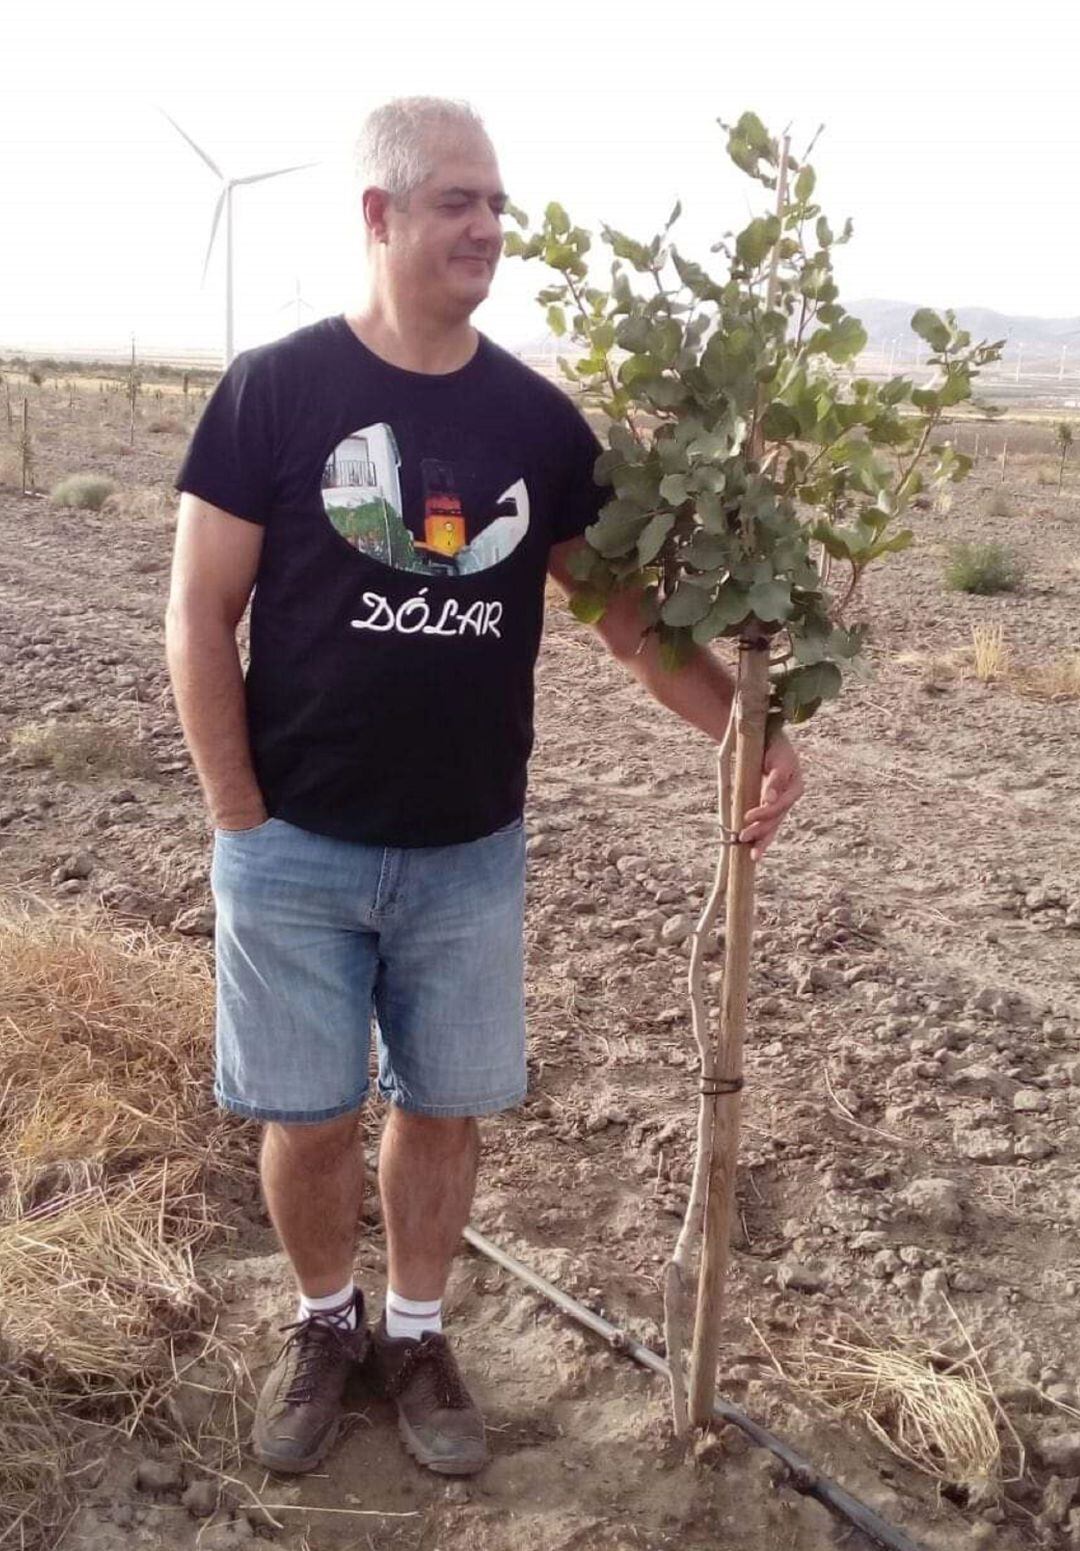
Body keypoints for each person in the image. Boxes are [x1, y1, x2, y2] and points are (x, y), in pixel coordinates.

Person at [165, 95, 804, 1482]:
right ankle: (324, 1327)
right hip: (294, 841)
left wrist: (741, 732)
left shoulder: (533, 419)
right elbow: (198, 615)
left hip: (468, 851)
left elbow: (628, 621)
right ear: (379, 216)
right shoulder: (275, 391)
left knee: (443, 1106)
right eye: (459, 200)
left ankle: (415, 1330)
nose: (489, 228)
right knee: (312, 1112)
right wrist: (237, 816)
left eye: (500, 204)